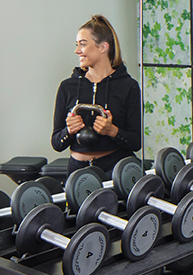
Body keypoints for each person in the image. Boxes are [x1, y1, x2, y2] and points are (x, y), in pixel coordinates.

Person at [51, 15, 142, 174]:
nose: (77, 50)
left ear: (103, 47)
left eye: (83, 44)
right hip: (77, 172)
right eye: (77, 45)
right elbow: (57, 143)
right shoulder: (67, 87)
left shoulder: (129, 86)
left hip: (114, 170)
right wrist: (69, 131)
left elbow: (136, 143)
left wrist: (112, 131)